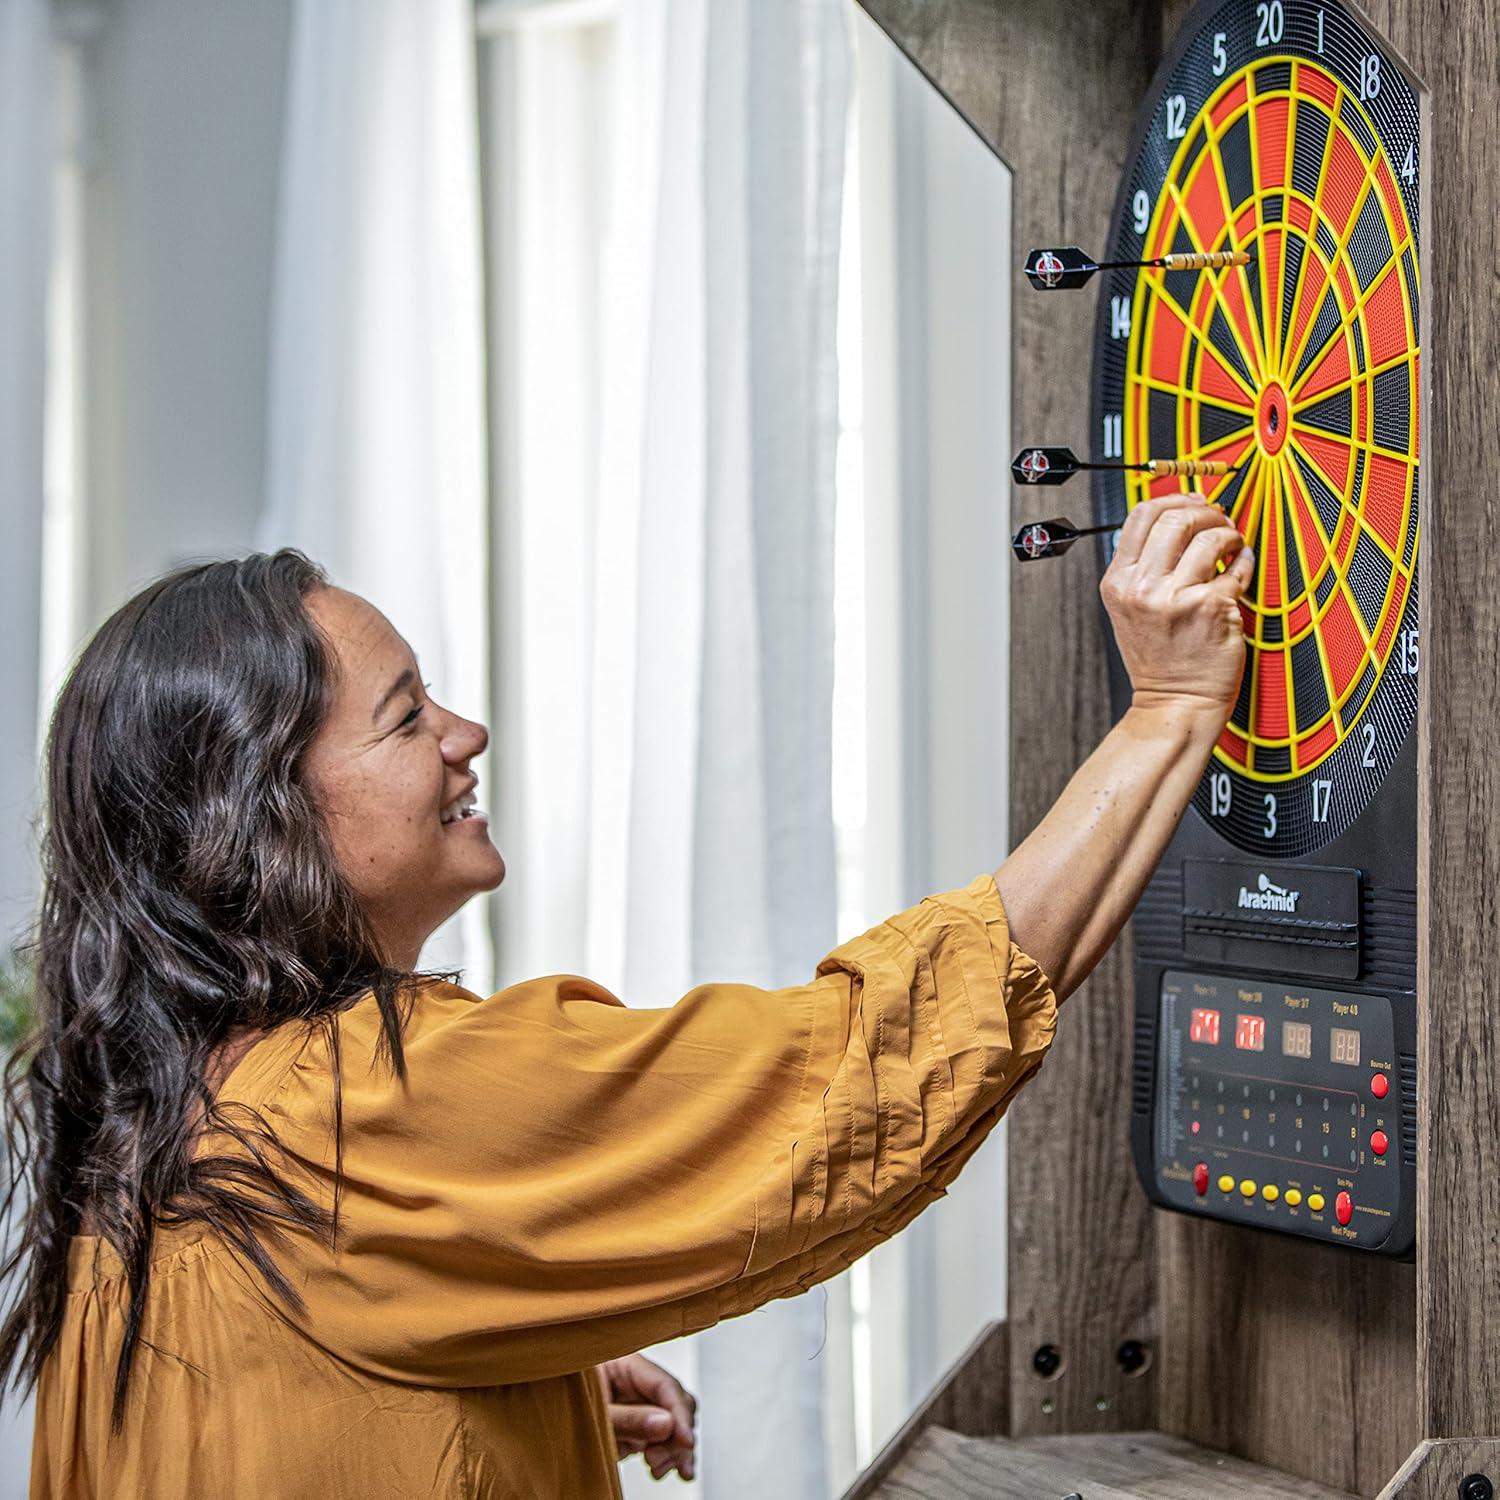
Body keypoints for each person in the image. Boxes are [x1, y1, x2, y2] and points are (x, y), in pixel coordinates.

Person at [3, 494, 1251, 1497]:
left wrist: (517, 1382)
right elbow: (863, 1068)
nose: (464, 732)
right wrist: (1170, 710)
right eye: (403, 720)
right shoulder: (362, 1106)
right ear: (262, 821)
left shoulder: (165, 1107)